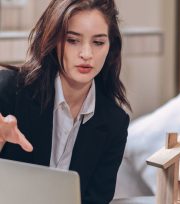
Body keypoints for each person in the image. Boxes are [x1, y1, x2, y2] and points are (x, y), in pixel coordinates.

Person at [0, 0, 131, 203]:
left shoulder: (114, 122)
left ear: (110, 47)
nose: (86, 54)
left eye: (98, 42)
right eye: (72, 40)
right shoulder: (9, 91)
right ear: (53, 41)